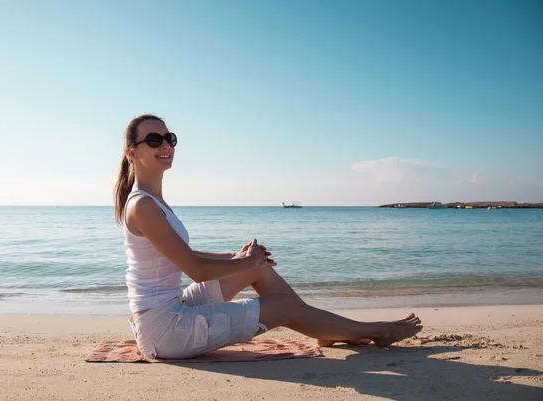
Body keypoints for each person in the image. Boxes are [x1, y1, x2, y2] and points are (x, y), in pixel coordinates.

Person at [114, 114, 423, 359]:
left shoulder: (152, 201)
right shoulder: (142, 206)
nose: (165, 145)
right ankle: (374, 331)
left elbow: (185, 255)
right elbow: (194, 268)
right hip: (166, 329)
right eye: (154, 140)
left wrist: (241, 260)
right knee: (283, 306)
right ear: (132, 152)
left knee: (255, 268)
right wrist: (242, 260)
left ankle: (325, 328)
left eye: (170, 138)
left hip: (176, 307)